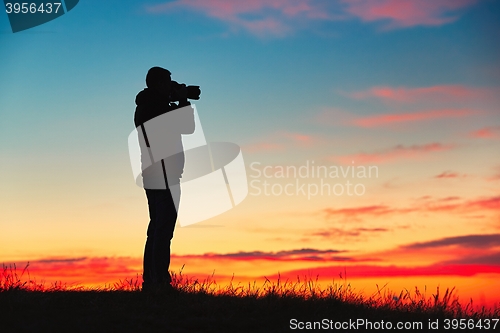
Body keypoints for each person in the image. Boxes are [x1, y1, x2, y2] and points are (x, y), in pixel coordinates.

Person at [134, 66, 195, 291]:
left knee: (157, 227)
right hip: (162, 173)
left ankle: (153, 281)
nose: (171, 84)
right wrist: (179, 99)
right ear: (158, 83)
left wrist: (181, 100)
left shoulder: (154, 105)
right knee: (163, 229)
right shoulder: (150, 106)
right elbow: (183, 126)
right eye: (168, 81)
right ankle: (158, 281)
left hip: (161, 173)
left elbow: (187, 128)